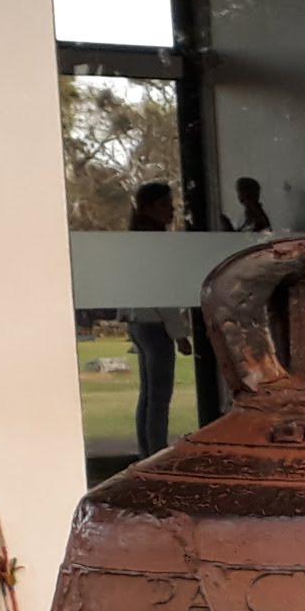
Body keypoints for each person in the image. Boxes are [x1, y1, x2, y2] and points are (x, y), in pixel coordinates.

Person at [125, 182, 190, 457]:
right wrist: (179, 334)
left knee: (149, 395)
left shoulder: (134, 241)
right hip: (156, 324)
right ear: (150, 207)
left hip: (139, 321)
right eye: (165, 204)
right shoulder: (154, 244)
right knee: (159, 398)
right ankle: (155, 454)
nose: (171, 210)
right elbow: (162, 291)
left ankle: (147, 453)